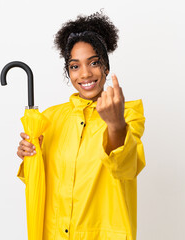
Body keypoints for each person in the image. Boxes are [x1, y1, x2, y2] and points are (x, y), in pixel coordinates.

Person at [17, 12, 146, 240]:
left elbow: (126, 167)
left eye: (94, 63)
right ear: (68, 72)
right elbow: (40, 182)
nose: (85, 73)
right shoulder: (49, 119)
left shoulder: (127, 114)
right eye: (75, 66)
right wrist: (30, 156)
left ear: (106, 67)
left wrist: (115, 125)